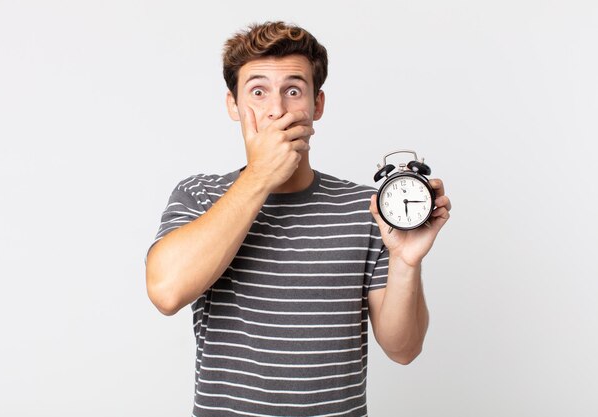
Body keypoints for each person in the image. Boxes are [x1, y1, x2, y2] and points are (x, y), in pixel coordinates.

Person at [146, 21, 451, 417]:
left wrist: (406, 262)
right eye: (257, 92)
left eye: (293, 91)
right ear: (233, 106)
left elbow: (404, 349)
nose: (276, 110)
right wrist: (259, 176)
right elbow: (166, 292)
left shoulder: (367, 207)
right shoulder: (200, 196)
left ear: (317, 105)